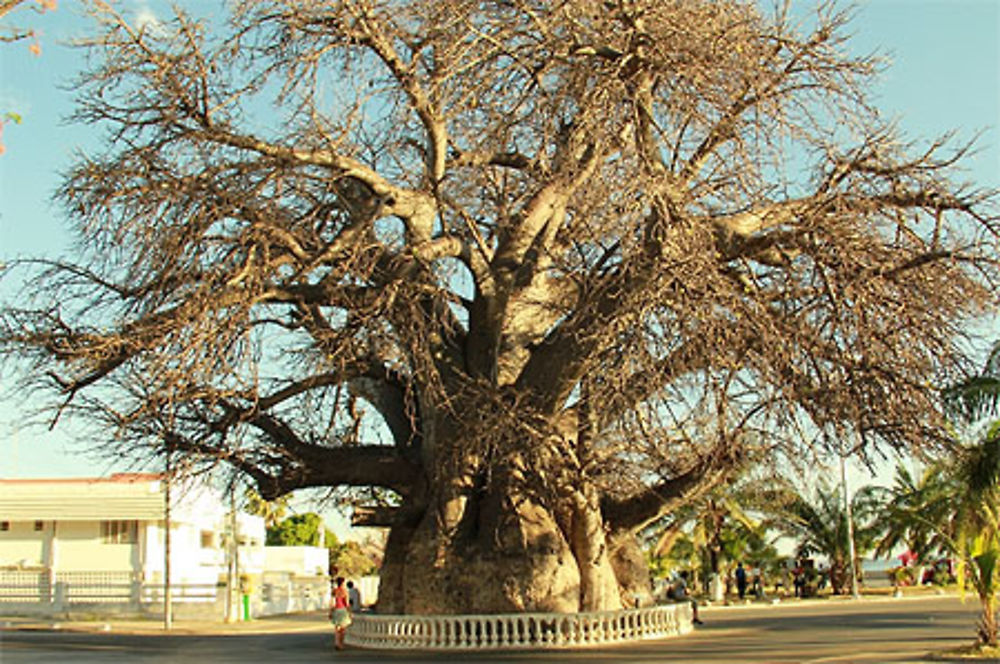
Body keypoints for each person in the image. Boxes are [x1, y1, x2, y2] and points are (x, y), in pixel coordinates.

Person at [329, 576, 351, 651]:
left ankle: (337, 642)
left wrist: (331, 611)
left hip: (336, 610)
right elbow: (347, 603)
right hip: (343, 610)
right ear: (342, 583)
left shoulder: (334, 591)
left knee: (336, 628)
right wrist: (349, 612)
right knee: (342, 629)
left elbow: (332, 602)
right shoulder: (344, 591)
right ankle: (341, 644)